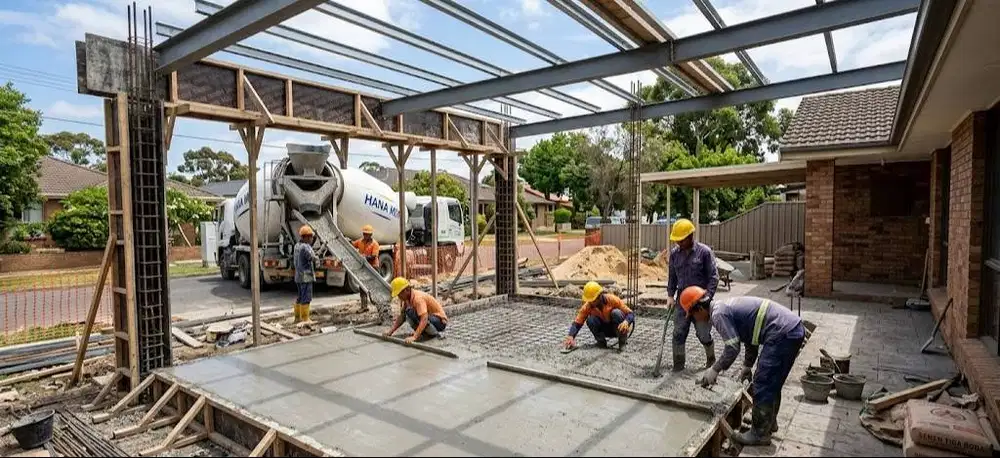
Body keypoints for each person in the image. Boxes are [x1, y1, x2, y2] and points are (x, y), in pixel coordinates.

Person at [681, 286, 805, 446]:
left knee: (763, 381)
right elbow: (751, 336)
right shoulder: (723, 307)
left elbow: (732, 348)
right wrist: (747, 366)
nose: (695, 320)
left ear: (698, 309)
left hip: (782, 333)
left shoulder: (718, 314)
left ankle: (759, 434)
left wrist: (714, 369)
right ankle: (768, 423)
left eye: (692, 316)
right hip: (790, 330)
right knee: (772, 381)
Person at [666, 218, 719, 371]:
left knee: (703, 334)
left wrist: (707, 297)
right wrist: (670, 295)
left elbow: (714, 277)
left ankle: (711, 360)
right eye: (677, 241)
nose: (678, 244)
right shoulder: (675, 254)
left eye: (681, 240)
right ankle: (678, 364)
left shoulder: (705, 253)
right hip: (682, 302)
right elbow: (672, 277)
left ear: (690, 236)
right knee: (678, 333)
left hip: (700, 302)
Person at [563, 282, 635, 352]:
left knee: (616, 313)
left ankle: (622, 343)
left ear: (599, 296)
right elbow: (577, 323)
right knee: (590, 320)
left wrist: (626, 321)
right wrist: (571, 336)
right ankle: (601, 342)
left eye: (593, 300)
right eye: (589, 300)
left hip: (617, 329)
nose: (590, 303)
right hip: (604, 330)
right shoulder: (588, 306)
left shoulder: (612, 299)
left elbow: (630, 313)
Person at [384, 277, 448, 343]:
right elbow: (402, 317)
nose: (399, 297)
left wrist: (414, 337)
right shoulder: (407, 300)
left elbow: (424, 318)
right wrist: (390, 332)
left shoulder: (418, 299)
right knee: (409, 312)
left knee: (414, 313)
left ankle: (435, 334)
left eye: (399, 294)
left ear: (407, 290)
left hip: (440, 322)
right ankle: (426, 333)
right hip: (430, 319)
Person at [293, 225, 317, 324]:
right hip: (306, 276)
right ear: (306, 237)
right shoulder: (305, 247)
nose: (312, 239)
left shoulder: (297, 246)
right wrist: (317, 257)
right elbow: (312, 258)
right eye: (311, 237)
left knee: (300, 297)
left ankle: (297, 318)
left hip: (298, 276)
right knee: (306, 298)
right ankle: (305, 319)